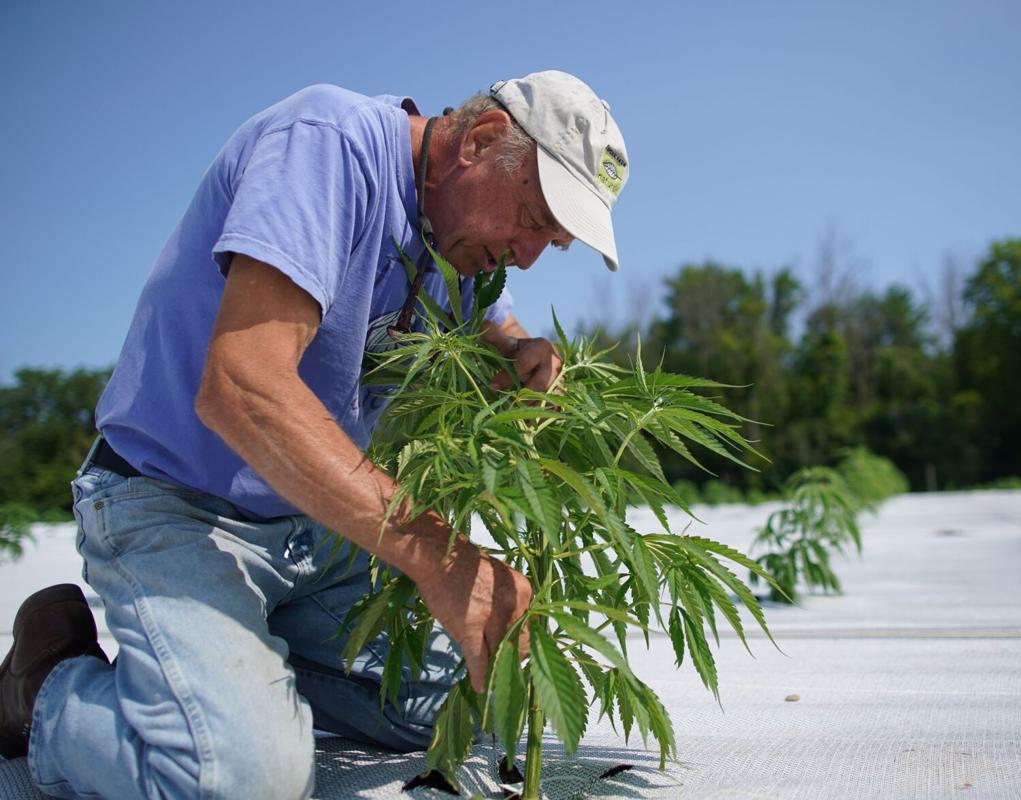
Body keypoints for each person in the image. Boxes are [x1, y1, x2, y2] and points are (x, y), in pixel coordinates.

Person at [0, 69, 629, 799]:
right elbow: (242, 386)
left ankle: (241, 670)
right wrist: (439, 556)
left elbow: (495, 327)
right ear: (481, 141)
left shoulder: (455, 241)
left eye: (550, 244)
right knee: (240, 782)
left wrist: (521, 353)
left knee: (465, 695)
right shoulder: (328, 149)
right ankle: (45, 690)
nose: (525, 253)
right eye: (532, 217)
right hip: (178, 507)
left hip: (314, 530)